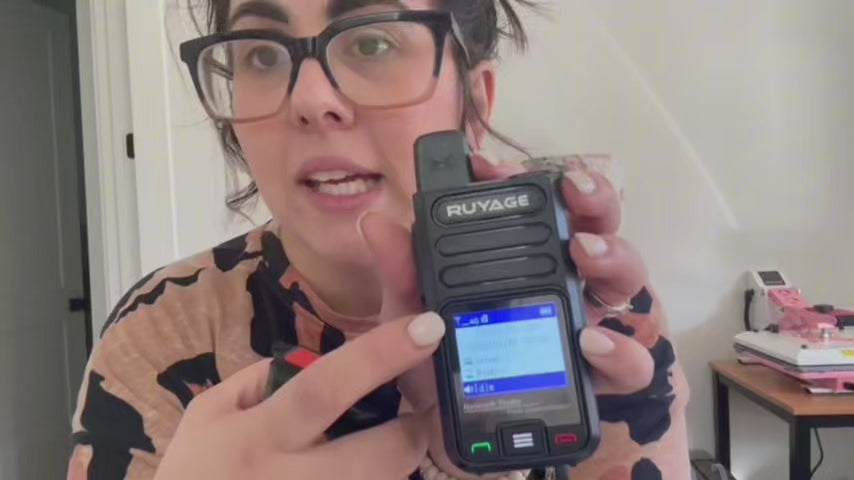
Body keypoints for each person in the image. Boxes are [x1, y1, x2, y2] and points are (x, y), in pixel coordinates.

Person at [66, 1, 691, 479]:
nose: (309, 99)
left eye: (372, 41)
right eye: (261, 54)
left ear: (473, 104)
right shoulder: (160, 330)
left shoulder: (603, 323)